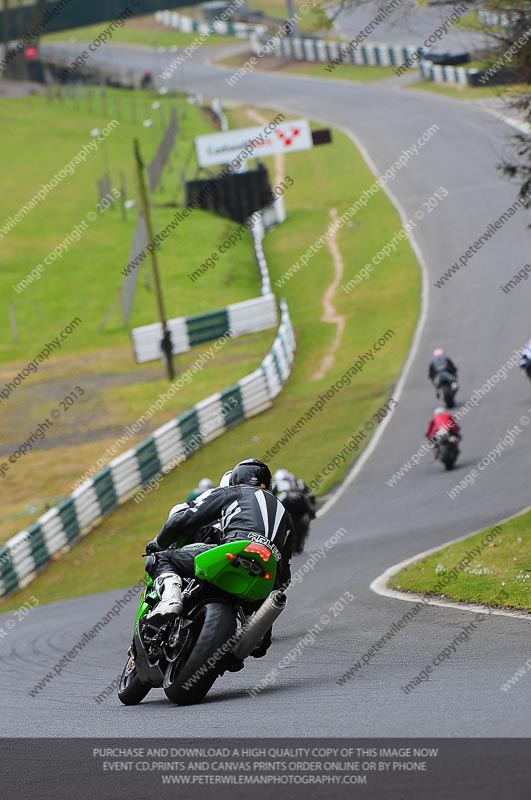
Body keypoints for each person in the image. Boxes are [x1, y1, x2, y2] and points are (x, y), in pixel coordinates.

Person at [144, 458, 293, 656]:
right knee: (259, 648)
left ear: (235, 479)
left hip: (233, 549)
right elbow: (286, 573)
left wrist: (158, 543)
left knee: (161, 558)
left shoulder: (233, 492)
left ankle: (171, 599)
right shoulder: (286, 514)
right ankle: (253, 626)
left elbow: (184, 519)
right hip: (268, 569)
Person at [272, 469, 316, 555]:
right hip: (301, 504)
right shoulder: (298, 481)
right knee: (303, 522)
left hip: (288, 504)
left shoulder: (278, 483)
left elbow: (271, 494)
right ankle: (298, 543)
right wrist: (311, 510)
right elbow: (309, 495)